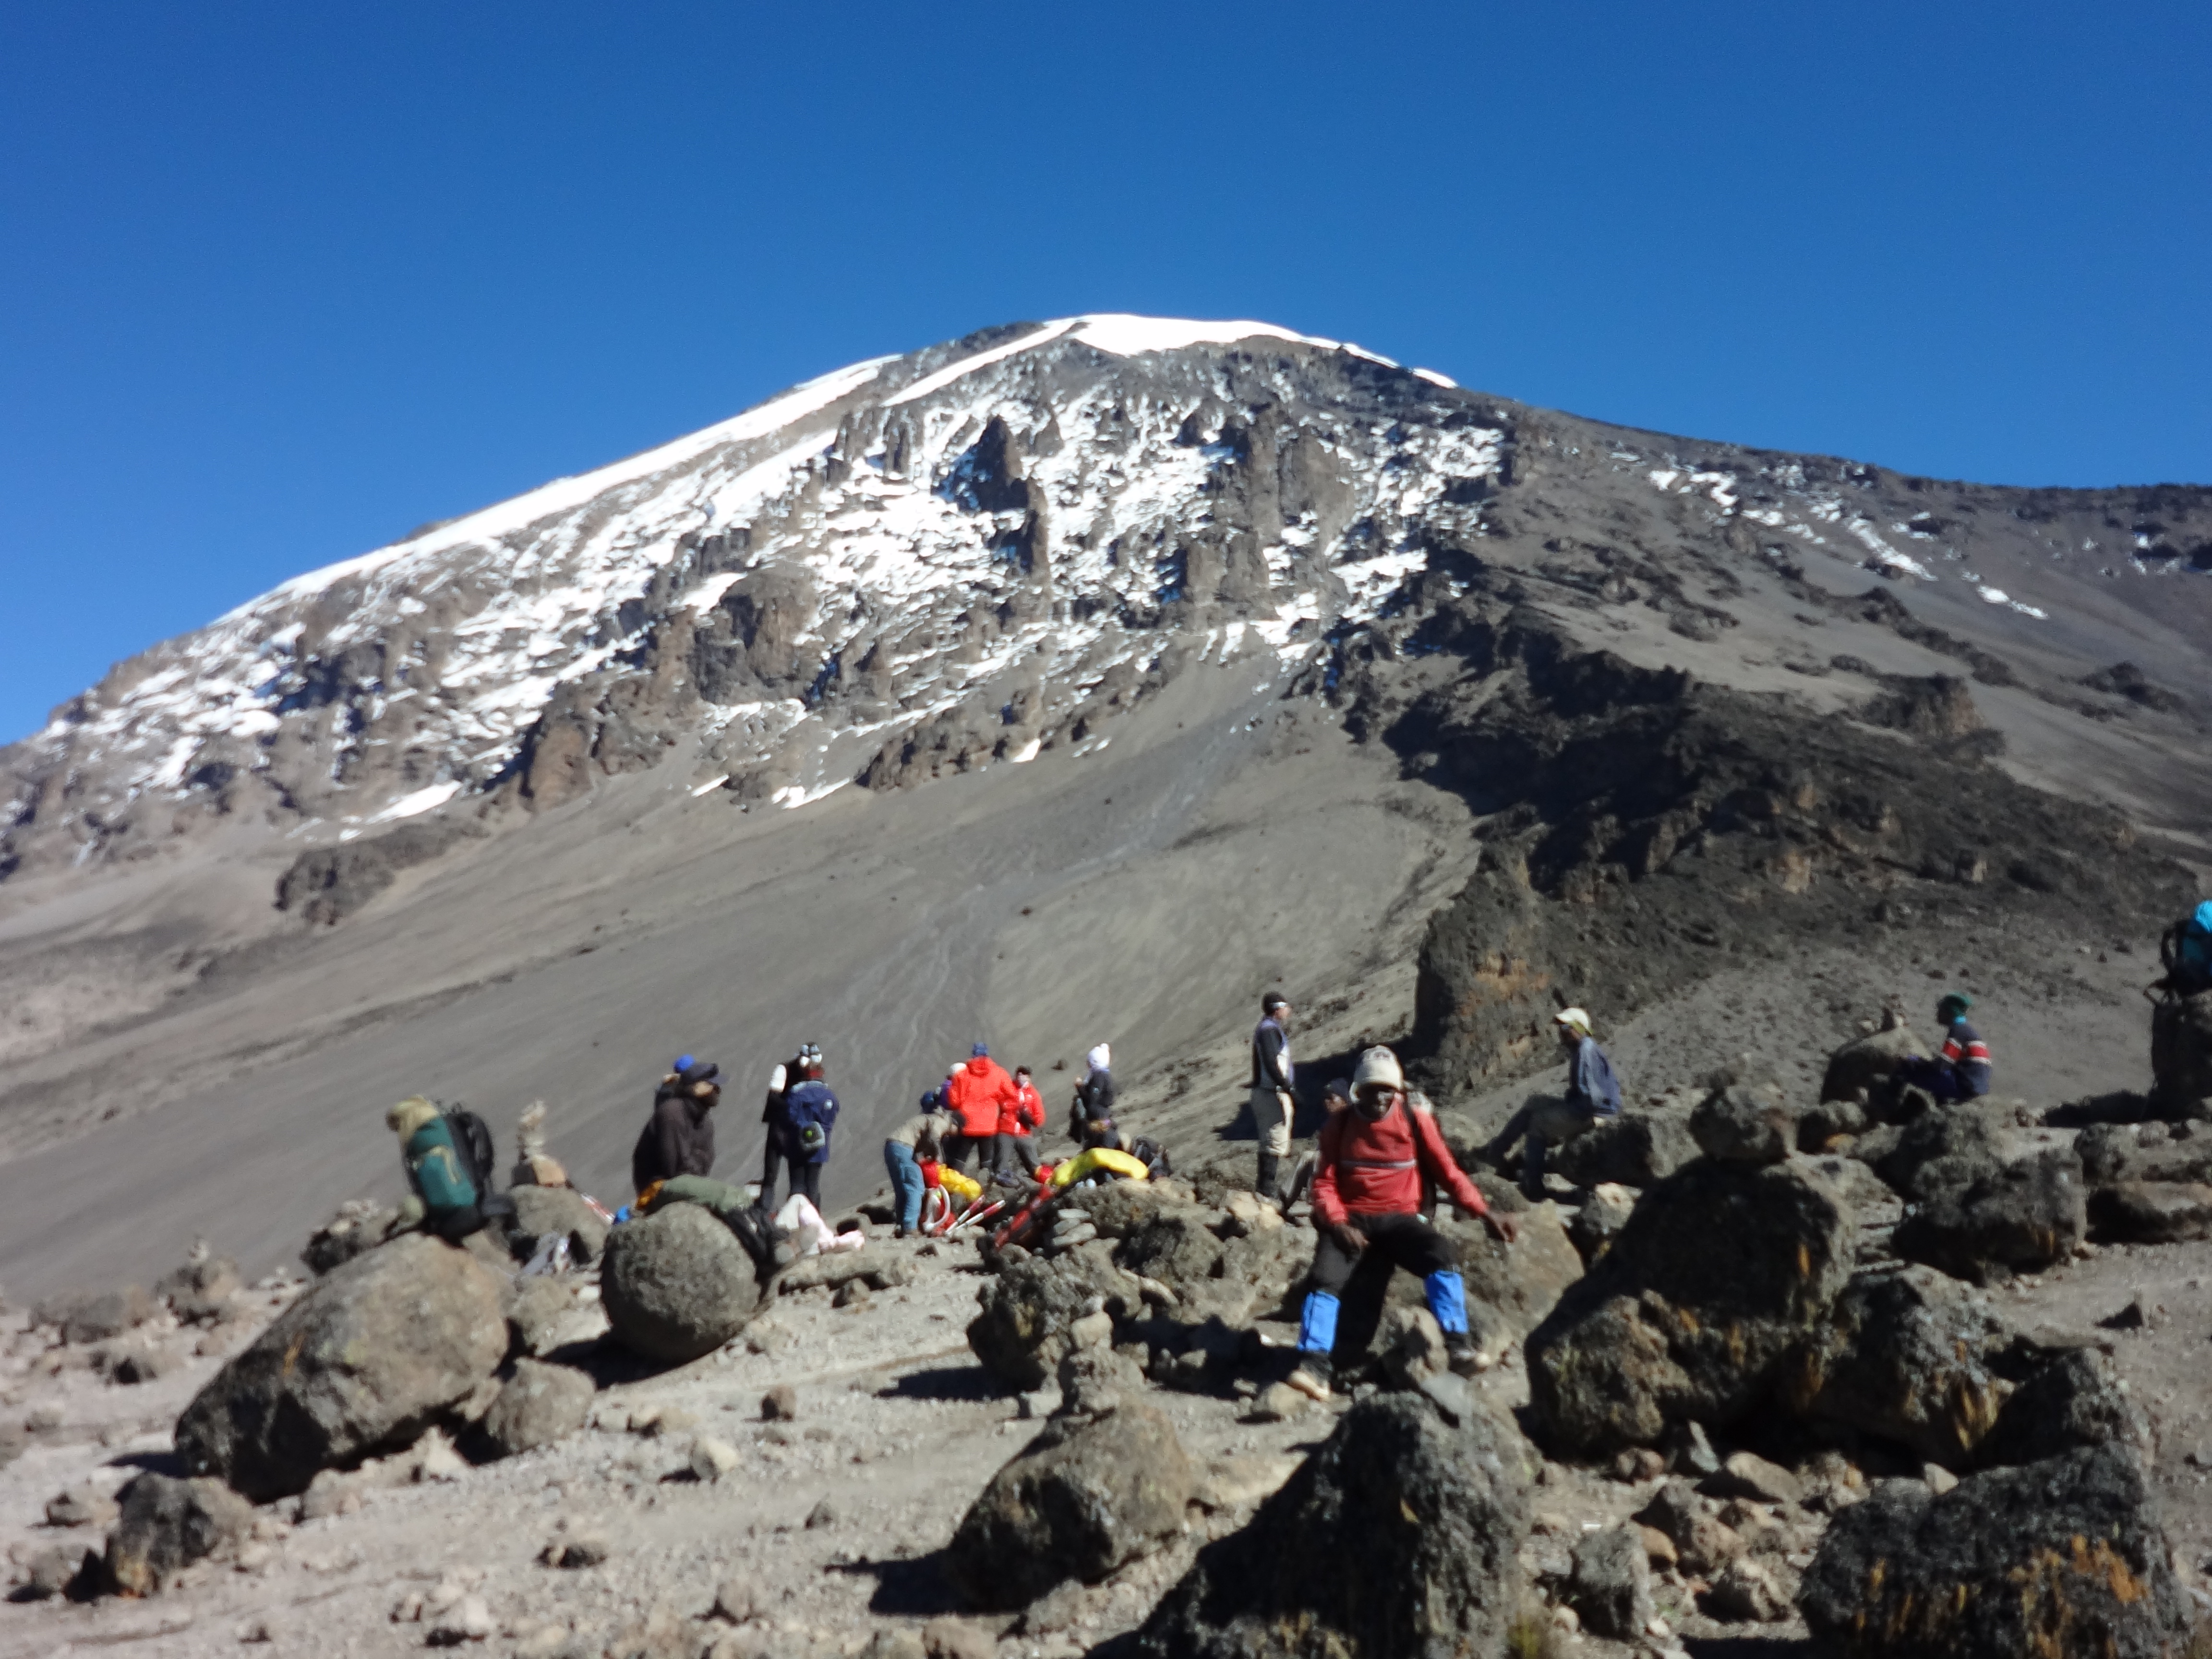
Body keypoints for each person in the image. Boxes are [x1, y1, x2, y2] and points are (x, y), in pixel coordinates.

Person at [1288, 1047, 1517, 1401]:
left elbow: (1448, 1172)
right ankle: (1313, 1367)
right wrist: (1338, 1223)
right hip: (1352, 1219)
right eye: (1370, 1090)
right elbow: (1324, 1183)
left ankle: (1459, 1347)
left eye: (1387, 1090)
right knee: (1323, 1278)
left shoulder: (1415, 1120)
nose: (1379, 1098)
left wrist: (1485, 1212)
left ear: (1398, 1091)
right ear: (1357, 1092)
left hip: (1401, 1219)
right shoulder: (1340, 1125)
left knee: (1440, 1254)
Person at [1482, 1009, 1622, 1199]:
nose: (1561, 1032)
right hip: (1586, 1106)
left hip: (1594, 1112)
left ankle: (1533, 1185)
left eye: (1566, 1027)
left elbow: (1593, 1098)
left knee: (1538, 1123)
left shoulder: (1585, 1052)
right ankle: (1497, 1152)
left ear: (1578, 1029)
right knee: (1535, 1102)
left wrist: (1574, 1115)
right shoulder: (1582, 1049)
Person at [389, 1096, 505, 1241]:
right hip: (480, 1209)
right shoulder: (442, 1126)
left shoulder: (413, 1141)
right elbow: (482, 1154)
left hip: (445, 1226)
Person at [633, 1058, 721, 1200]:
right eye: (711, 1084)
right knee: (722, 1197)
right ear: (695, 1087)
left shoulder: (705, 1122)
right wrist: (697, 1162)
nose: (718, 1089)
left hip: (688, 1182)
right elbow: (675, 1168)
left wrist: (697, 1163)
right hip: (657, 1188)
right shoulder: (672, 1114)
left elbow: (707, 1159)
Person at [1897, 992, 1993, 1103]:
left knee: (1907, 1070)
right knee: (1936, 1078)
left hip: (1966, 1085)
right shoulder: (1968, 1031)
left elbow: (1943, 1065)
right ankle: (1941, 1107)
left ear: (1949, 1013)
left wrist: (1916, 1063)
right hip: (1976, 1085)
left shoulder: (1958, 1032)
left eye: (1941, 1011)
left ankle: (1890, 1106)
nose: (1937, 1014)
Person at [759, 1043, 820, 1207]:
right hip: (780, 1125)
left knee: (799, 1175)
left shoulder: (815, 1072)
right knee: (771, 1174)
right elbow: (774, 1097)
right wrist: (793, 1107)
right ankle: (765, 1211)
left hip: (799, 1127)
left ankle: (802, 1213)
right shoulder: (784, 1069)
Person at [1250, 993, 1296, 1201]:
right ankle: (1266, 1187)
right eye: (1286, 1007)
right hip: (1271, 1093)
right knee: (1275, 1138)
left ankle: (1265, 1187)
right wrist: (1286, 1086)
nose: (1289, 1011)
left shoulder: (1267, 1028)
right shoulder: (1269, 1031)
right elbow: (1271, 1061)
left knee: (1271, 1139)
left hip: (1268, 1091)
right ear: (1278, 1009)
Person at [777, 1055, 840, 1210]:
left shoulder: (797, 1093)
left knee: (797, 1186)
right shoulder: (829, 1095)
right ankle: (815, 1219)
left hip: (796, 1145)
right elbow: (832, 1117)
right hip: (820, 1146)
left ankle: (795, 1221)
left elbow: (788, 1117)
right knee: (813, 1184)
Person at [944, 1044, 1018, 1174]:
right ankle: (985, 1188)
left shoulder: (962, 1075)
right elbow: (1013, 1096)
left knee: (960, 1159)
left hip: (967, 1125)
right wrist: (1001, 1103)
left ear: (973, 1055)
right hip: (989, 1126)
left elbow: (954, 1103)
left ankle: (954, 1187)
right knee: (986, 1162)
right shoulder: (1000, 1073)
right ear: (987, 1055)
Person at [885, 1099, 954, 1237]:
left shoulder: (928, 1118)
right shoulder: (943, 1121)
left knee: (902, 1189)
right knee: (916, 1187)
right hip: (904, 1146)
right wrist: (938, 1157)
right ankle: (910, 1227)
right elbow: (933, 1137)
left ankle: (901, 1225)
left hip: (892, 1147)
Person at [997, 1066, 1046, 1177]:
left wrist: (1029, 1117)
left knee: (1034, 1165)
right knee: (1001, 1162)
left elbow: (1039, 1119)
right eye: (1019, 1074)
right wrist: (1017, 1108)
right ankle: (996, 1182)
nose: (1021, 1077)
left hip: (1024, 1133)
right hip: (1006, 1130)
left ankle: (1041, 1181)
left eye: (1024, 1075)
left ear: (1029, 1077)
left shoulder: (1033, 1094)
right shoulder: (1008, 1089)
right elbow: (1002, 1104)